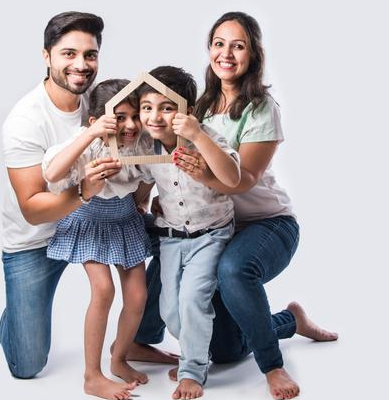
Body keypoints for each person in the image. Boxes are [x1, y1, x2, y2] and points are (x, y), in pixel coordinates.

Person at [171, 12, 339, 399]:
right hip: (218, 227)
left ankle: (273, 365)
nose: (226, 54)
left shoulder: (261, 107)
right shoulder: (198, 106)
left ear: (253, 54)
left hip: (267, 224)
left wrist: (203, 172)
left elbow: (244, 179)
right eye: (219, 44)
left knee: (234, 271)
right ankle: (290, 320)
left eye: (238, 46)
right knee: (226, 350)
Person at [0, 11, 173, 383]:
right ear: (46, 56)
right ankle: (20, 316)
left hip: (117, 217)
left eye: (89, 55)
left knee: (176, 241)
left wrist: (148, 199)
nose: (81, 64)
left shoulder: (105, 100)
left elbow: (146, 162)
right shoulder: (24, 120)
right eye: (68, 53)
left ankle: (132, 344)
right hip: (41, 234)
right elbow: (33, 207)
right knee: (27, 364)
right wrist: (84, 190)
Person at [41, 79, 155, 400]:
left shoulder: (141, 143)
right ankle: (92, 376)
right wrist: (90, 133)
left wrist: (143, 201)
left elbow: (148, 176)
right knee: (103, 290)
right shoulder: (87, 142)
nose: (130, 125)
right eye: (120, 117)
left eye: (135, 116)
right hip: (89, 220)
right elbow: (52, 173)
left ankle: (119, 358)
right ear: (96, 120)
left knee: (137, 295)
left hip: (124, 220)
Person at [135, 66, 241, 399]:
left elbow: (232, 177)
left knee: (193, 299)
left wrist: (197, 136)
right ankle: (198, 352)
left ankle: (192, 370)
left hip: (211, 235)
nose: (155, 117)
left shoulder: (206, 137)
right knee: (170, 309)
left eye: (166, 108)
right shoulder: (147, 147)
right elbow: (145, 186)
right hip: (171, 238)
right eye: (147, 107)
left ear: (188, 111)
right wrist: (143, 204)